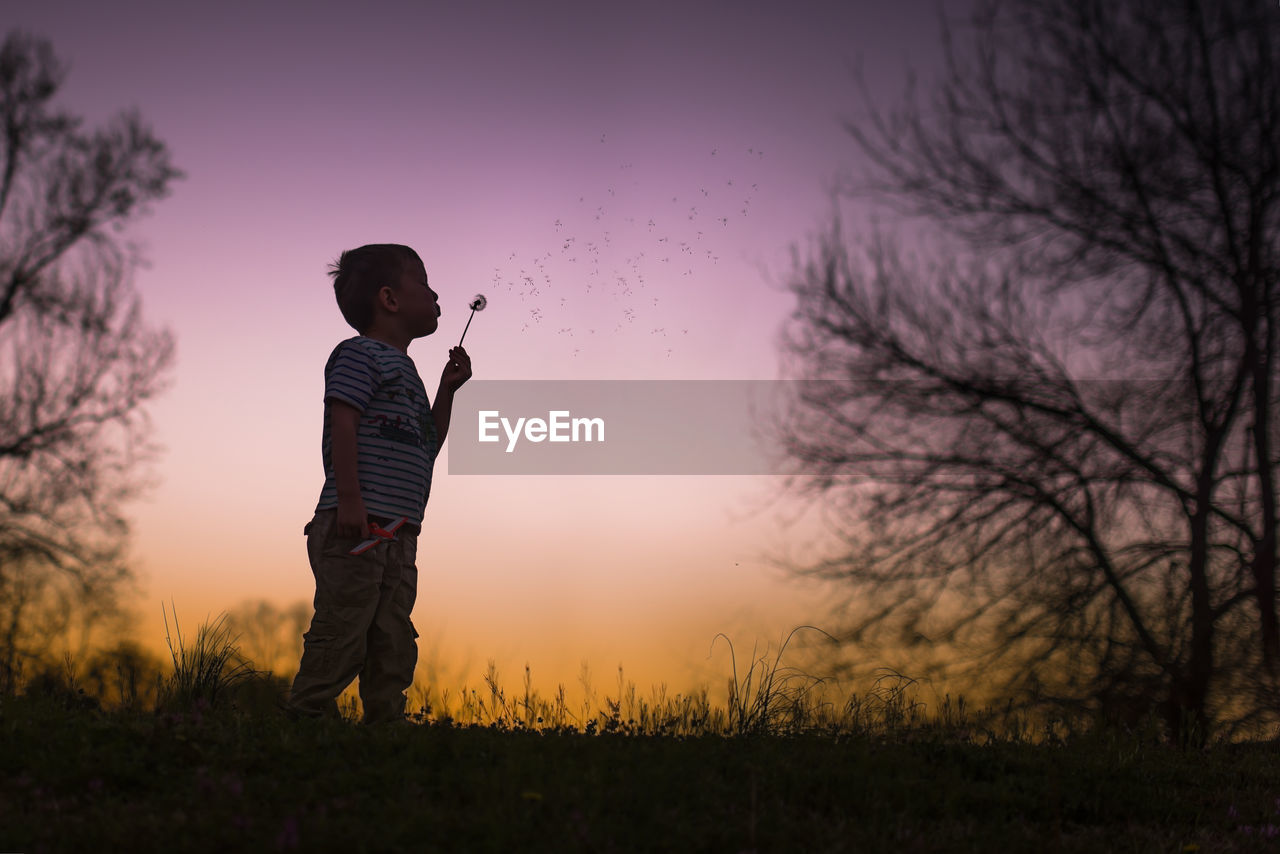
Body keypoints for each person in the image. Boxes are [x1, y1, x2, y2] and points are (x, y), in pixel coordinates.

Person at [287, 243, 472, 724]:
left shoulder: (407, 371)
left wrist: (446, 391)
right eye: (424, 283)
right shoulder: (356, 355)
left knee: (392, 637)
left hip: (398, 534)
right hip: (356, 528)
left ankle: (384, 725)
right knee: (342, 629)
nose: (436, 294)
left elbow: (425, 444)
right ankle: (307, 716)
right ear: (389, 299)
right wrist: (350, 499)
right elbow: (341, 424)